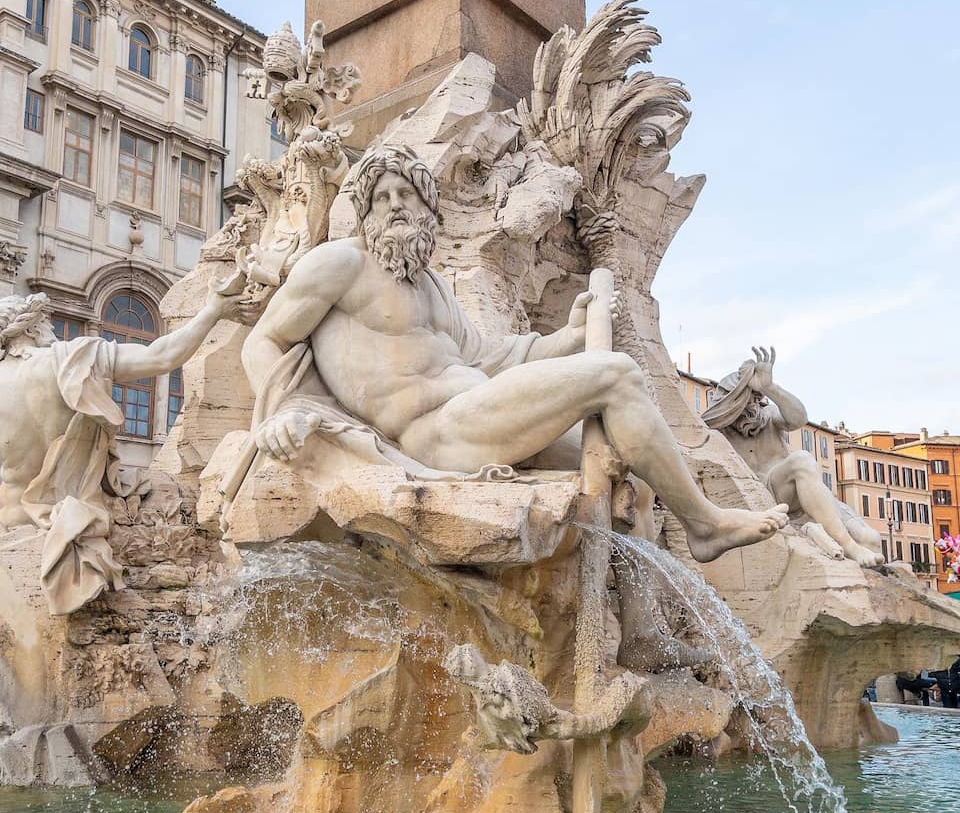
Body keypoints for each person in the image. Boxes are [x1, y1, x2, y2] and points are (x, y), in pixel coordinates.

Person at [241, 144, 788, 567]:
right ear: (364, 212)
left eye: (405, 195)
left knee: (636, 476)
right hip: (435, 435)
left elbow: (492, 358)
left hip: (478, 411)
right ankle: (705, 525)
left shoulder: (432, 286)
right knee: (617, 375)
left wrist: (569, 338)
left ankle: (642, 634)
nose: (394, 207)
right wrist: (282, 410)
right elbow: (263, 340)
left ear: (427, 205)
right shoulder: (339, 264)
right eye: (381, 198)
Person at [0, 280, 254, 612]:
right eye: (48, 322)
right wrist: (214, 309)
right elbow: (163, 356)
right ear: (32, 328)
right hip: (64, 532)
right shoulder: (71, 359)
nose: (53, 330)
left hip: (10, 531)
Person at [702, 348, 883, 568]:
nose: (753, 405)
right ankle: (848, 546)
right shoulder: (719, 433)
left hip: (807, 496)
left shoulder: (768, 417)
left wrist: (770, 387)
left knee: (872, 540)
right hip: (770, 496)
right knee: (802, 460)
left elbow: (799, 418)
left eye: (755, 398)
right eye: (747, 399)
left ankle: (819, 531)